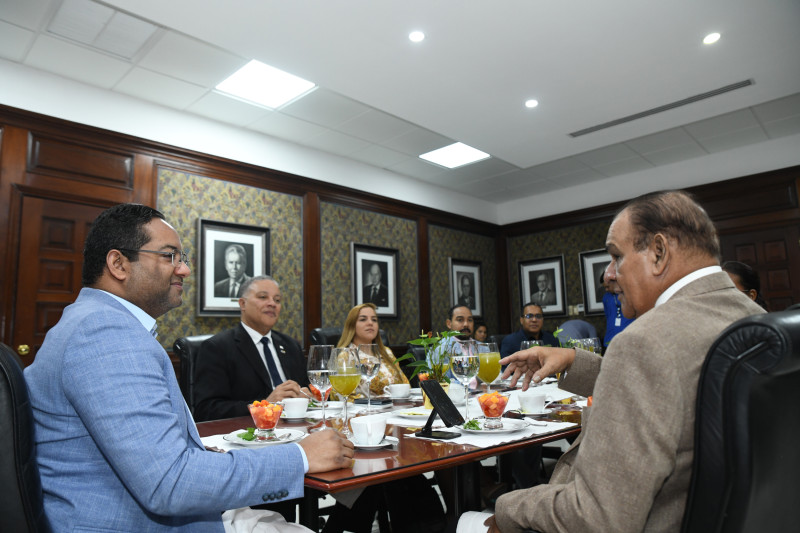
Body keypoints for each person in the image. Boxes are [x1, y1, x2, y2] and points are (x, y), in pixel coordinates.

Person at [23, 203, 353, 532]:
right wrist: (301, 457)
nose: (183, 269)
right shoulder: (105, 333)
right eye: (169, 256)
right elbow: (171, 483)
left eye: (182, 258)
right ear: (118, 264)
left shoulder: (96, 323)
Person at [483, 190, 765, 533]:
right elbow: (680, 384)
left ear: (658, 253)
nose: (608, 275)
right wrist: (573, 359)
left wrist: (508, 506)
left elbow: (596, 518)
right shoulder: (755, 318)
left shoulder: (644, 341)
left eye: (616, 257)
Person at [322, 304, 445, 533]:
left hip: (395, 421)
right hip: (358, 423)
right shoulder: (344, 355)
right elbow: (345, 394)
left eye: (374, 319)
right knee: (385, 468)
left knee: (413, 456)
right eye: (363, 319)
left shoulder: (385, 352)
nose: (370, 323)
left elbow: (405, 385)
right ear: (352, 326)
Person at [195, 275, 310, 422]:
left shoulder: (291, 345)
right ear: (242, 304)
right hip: (250, 434)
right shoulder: (217, 348)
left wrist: (306, 395)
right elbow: (206, 410)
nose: (272, 304)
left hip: (296, 427)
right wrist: (264, 405)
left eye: (277, 300)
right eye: (263, 297)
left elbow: (306, 388)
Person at [601, 270, 634, 346]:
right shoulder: (606, 297)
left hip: (628, 337)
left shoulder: (629, 293)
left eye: (607, 287)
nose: (606, 289)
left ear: (615, 281)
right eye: (604, 287)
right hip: (610, 339)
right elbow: (608, 317)